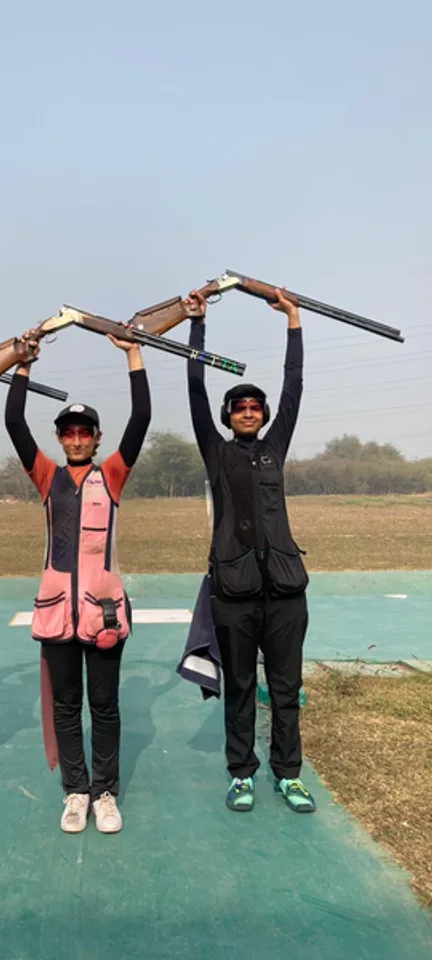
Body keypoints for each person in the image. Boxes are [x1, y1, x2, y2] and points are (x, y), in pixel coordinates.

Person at [5, 329, 151, 834]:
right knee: (66, 707)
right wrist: (23, 365)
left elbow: (142, 419)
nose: (75, 437)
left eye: (84, 431)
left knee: (104, 706)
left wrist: (133, 354)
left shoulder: (111, 475)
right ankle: (76, 791)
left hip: (102, 610)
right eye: (68, 431)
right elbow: (12, 423)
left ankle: (105, 792)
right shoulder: (46, 476)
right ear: (60, 438)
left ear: (97, 437)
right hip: (55, 612)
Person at [185, 288, 316, 814]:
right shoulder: (216, 452)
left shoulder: (275, 446)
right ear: (227, 415)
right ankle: (242, 774)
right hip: (233, 594)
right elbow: (194, 389)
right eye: (237, 406)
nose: (246, 410)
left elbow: (294, 388)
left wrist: (293, 321)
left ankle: (288, 774)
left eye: (253, 406)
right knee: (239, 688)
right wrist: (197, 325)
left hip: (286, 591)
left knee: (284, 691)